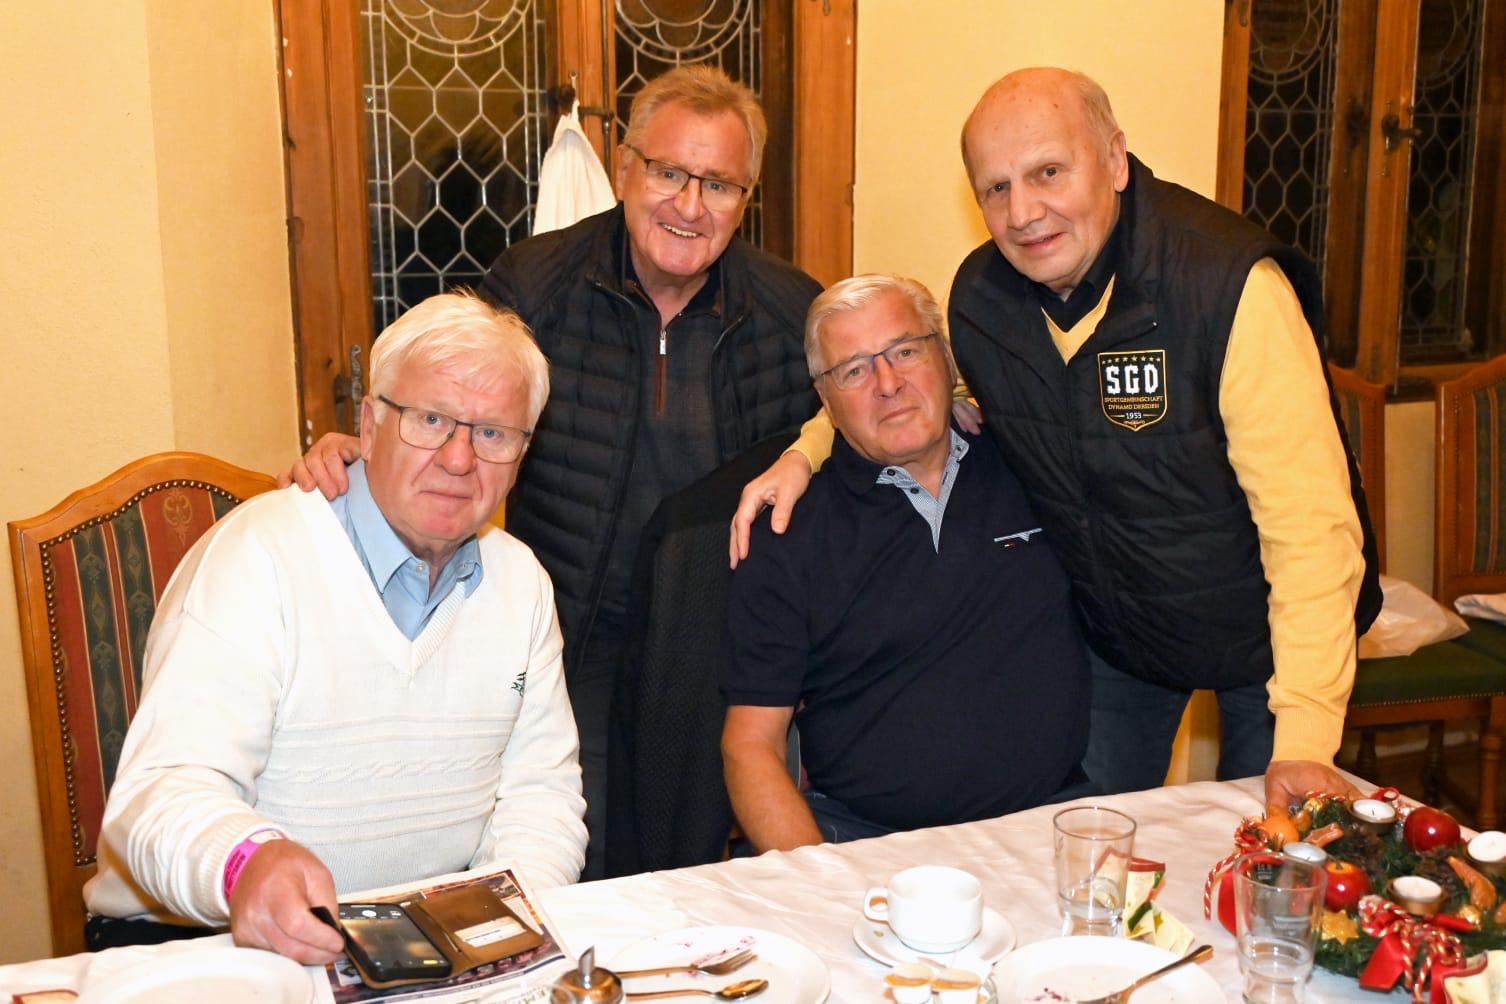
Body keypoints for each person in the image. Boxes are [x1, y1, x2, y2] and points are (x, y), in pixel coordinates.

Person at [730, 68, 1382, 817]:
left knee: (1267, 851)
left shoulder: (1229, 288)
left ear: (1115, 159)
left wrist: (1306, 732)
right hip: (1124, 627)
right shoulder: (986, 297)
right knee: (1087, 843)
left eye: (1048, 173)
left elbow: (1311, 527)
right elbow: (894, 381)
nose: (1023, 213)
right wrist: (807, 450)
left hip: (1272, 633)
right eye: (996, 188)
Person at [282, 65, 821, 879]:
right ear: (626, 166)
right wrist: (363, 449)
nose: (688, 205)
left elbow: (857, 418)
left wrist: (903, 419)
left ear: (746, 198)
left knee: (694, 878)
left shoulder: (790, 310)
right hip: (567, 642)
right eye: (669, 172)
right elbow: (442, 394)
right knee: (581, 860)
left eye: (718, 184)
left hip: (713, 647)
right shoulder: (535, 284)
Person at [84, 292, 586, 962]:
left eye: (493, 433)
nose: (459, 459)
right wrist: (245, 863)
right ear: (370, 426)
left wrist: (502, 938)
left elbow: (541, 795)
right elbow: (159, 794)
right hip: (213, 941)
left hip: (426, 945)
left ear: (523, 451)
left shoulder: (521, 581)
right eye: (431, 420)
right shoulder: (259, 557)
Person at [722, 274, 1092, 851]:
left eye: (905, 351)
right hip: (862, 839)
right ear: (825, 399)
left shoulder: (1033, 467)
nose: (888, 384)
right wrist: (821, 880)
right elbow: (750, 746)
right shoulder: (787, 531)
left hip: (1048, 826)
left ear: (946, 358)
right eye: (854, 370)